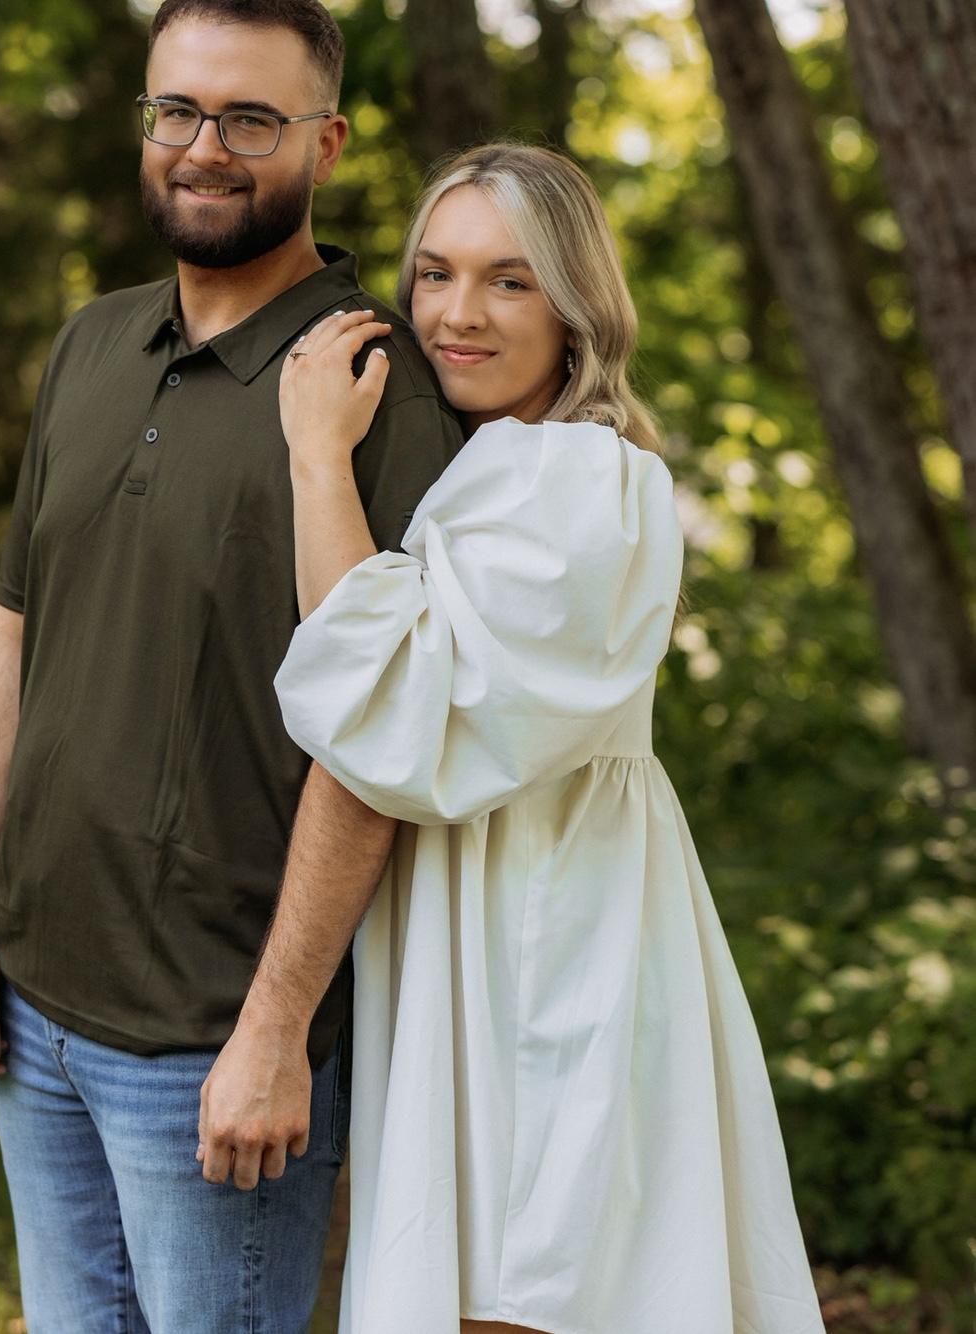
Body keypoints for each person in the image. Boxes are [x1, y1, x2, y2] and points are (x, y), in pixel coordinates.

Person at [211, 143, 828, 1333]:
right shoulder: (488, 462)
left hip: (544, 931)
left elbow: (382, 704)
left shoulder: (582, 477)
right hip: (480, 914)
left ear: (574, 305)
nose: (456, 313)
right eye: (434, 273)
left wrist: (315, 456)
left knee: (522, 1279)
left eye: (508, 280)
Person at [0, 1, 464, 1329]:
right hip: (31, 1011)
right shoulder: (91, 342)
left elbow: (383, 736)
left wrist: (276, 1026)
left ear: (325, 143)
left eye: (250, 119)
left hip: (213, 1043)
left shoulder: (375, 386)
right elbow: (14, 625)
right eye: (178, 110)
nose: (204, 147)